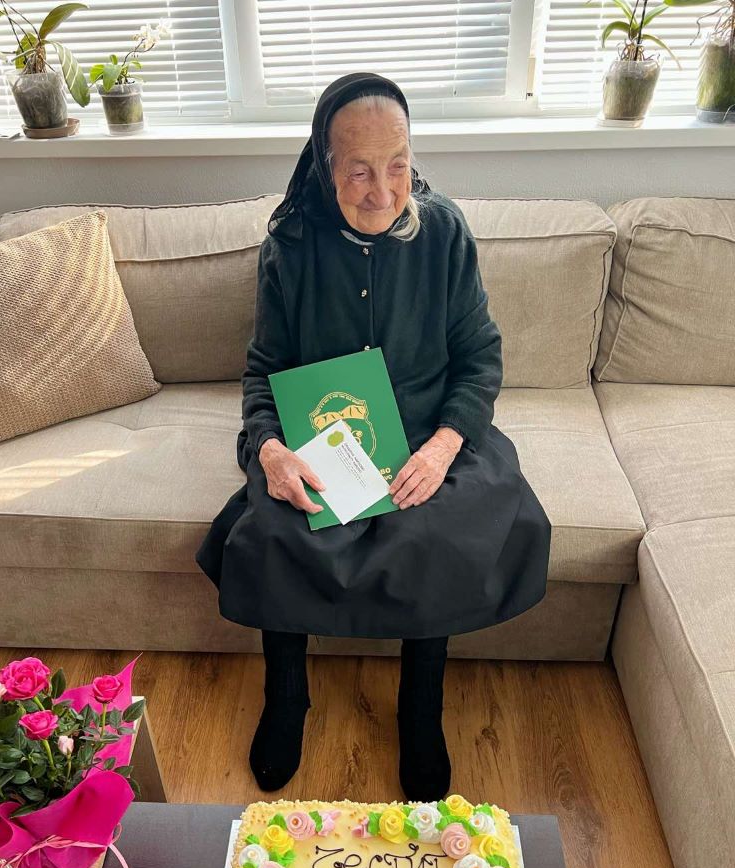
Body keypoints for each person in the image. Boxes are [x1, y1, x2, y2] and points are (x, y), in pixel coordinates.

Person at [196, 72, 551, 801]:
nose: (383, 191)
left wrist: (444, 446)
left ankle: (421, 708)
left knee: (437, 530)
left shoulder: (443, 231)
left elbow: (480, 358)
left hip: (427, 429)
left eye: (398, 164)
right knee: (276, 530)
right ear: (325, 166)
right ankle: (287, 695)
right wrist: (272, 450)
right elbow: (264, 371)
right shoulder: (290, 244)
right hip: (320, 434)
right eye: (359, 170)